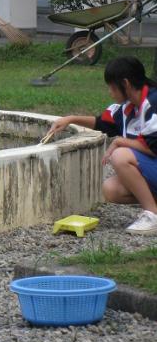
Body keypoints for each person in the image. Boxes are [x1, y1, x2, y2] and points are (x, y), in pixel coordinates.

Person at [48, 56, 157, 235]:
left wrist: (121, 141)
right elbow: (101, 123)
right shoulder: (127, 107)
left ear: (126, 84)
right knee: (111, 189)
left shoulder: (153, 103)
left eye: (112, 87)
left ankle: (152, 216)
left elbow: (153, 148)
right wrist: (71, 119)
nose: (110, 92)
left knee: (120, 156)